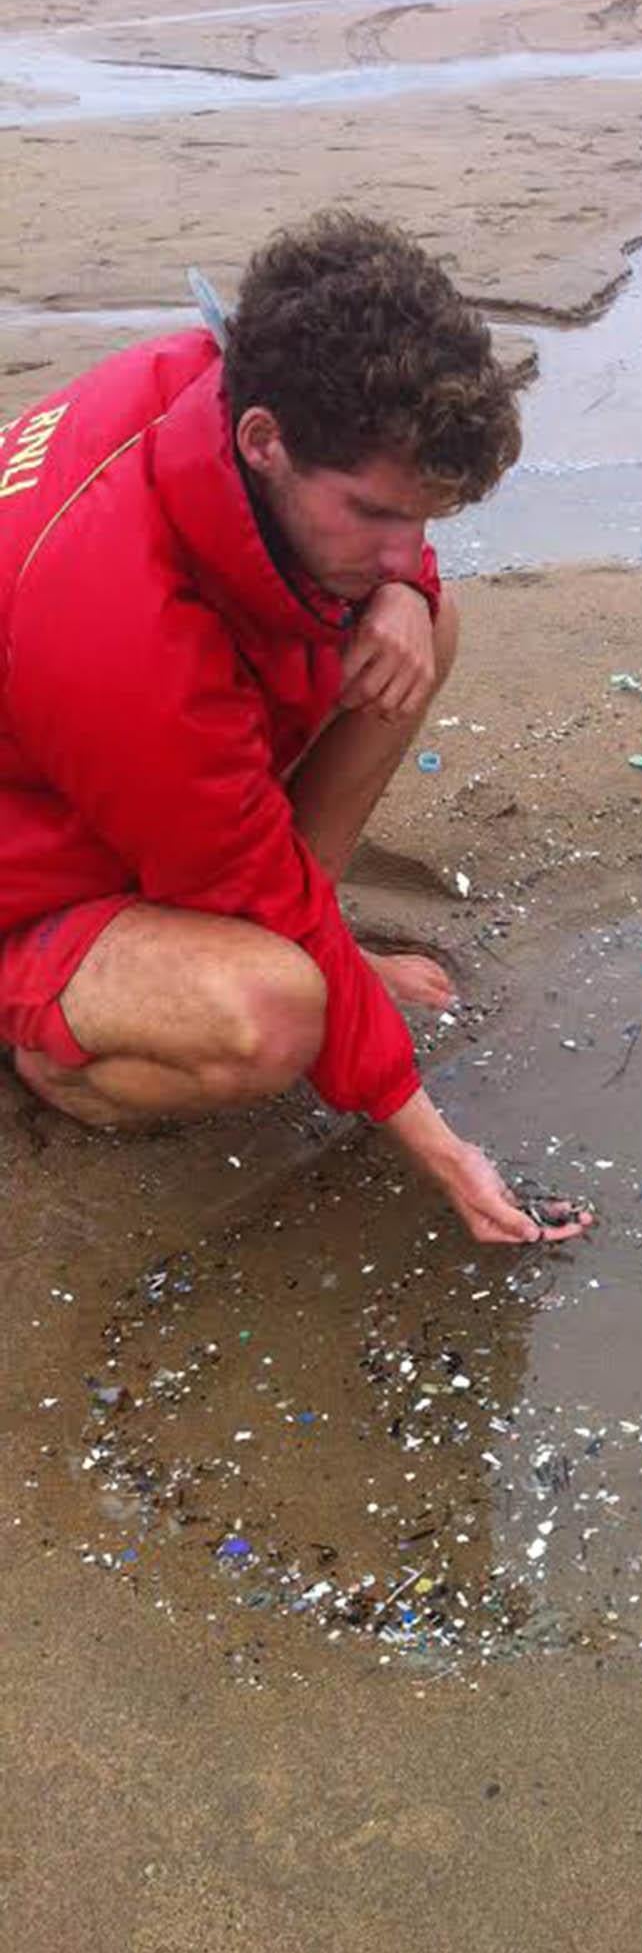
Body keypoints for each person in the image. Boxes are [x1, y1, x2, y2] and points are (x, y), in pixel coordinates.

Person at [0, 212, 589, 1246]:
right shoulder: (112, 621)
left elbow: (386, 541)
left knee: (420, 628)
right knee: (271, 1011)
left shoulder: (226, 381)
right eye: (373, 516)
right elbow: (236, 863)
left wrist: (403, 586)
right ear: (264, 440)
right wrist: (442, 1145)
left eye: (429, 519)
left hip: (121, 782)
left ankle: (303, 945)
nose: (404, 546)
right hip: (29, 873)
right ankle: (47, 1045)